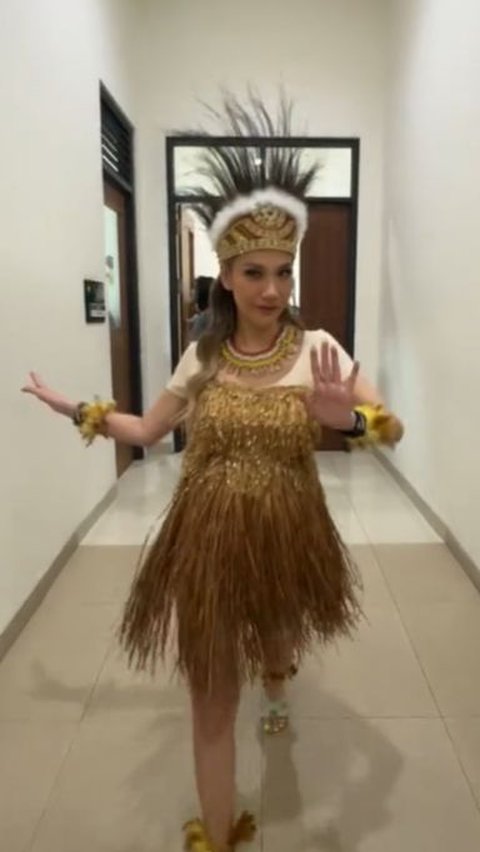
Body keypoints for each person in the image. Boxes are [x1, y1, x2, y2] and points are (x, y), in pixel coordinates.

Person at [22, 94, 403, 852]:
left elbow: (389, 428)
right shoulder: (201, 355)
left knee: (279, 630)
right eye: (254, 272)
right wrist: (79, 410)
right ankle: (220, 836)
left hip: (291, 523)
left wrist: (343, 420)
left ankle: (279, 671)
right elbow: (149, 429)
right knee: (208, 695)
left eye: (283, 273)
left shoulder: (318, 347)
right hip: (206, 534)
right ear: (224, 276)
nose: (271, 289)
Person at [189, 275, 214, 341]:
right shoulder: (216, 313)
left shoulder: (204, 318)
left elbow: (194, 344)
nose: (191, 292)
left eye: (195, 288)